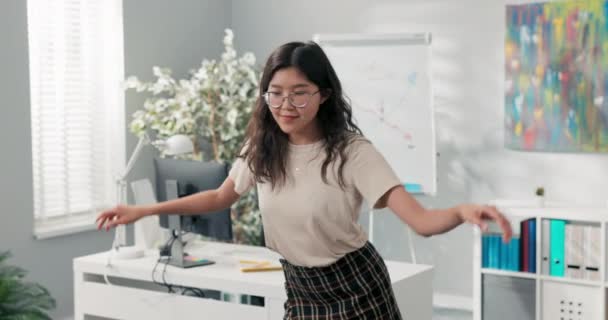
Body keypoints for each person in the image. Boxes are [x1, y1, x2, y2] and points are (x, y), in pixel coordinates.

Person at [97, 41, 512, 319]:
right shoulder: (262, 146)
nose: (285, 104)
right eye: (275, 92)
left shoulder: (352, 153)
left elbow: (421, 222)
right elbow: (220, 196)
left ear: (324, 94)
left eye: (299, 92)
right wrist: (143, 210)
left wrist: (461, 210)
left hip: (357, 287)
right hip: (300, 287)